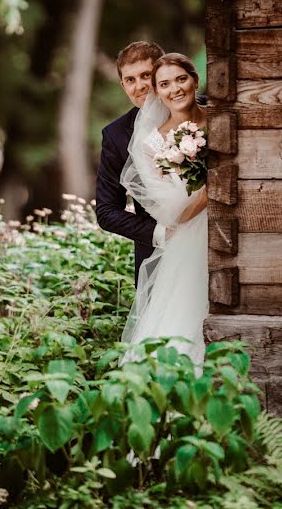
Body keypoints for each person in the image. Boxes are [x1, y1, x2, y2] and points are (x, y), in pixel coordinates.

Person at [119, 52, 208, 363]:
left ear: (195, 79)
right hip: (191, 239)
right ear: (157, 92)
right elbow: (168, 211)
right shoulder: (153, 144)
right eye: (165, 84)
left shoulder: (220, 122)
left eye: (181, 79)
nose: (175, 89)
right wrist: (211, 192)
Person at [95, 41, 165, 286]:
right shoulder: (115, 135)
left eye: (146, 75)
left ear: (162, 72)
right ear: (123, 85)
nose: (140, 86)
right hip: (156, 257)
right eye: (130, 80)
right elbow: (106, 212)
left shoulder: (204, 110)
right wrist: (160, 233)